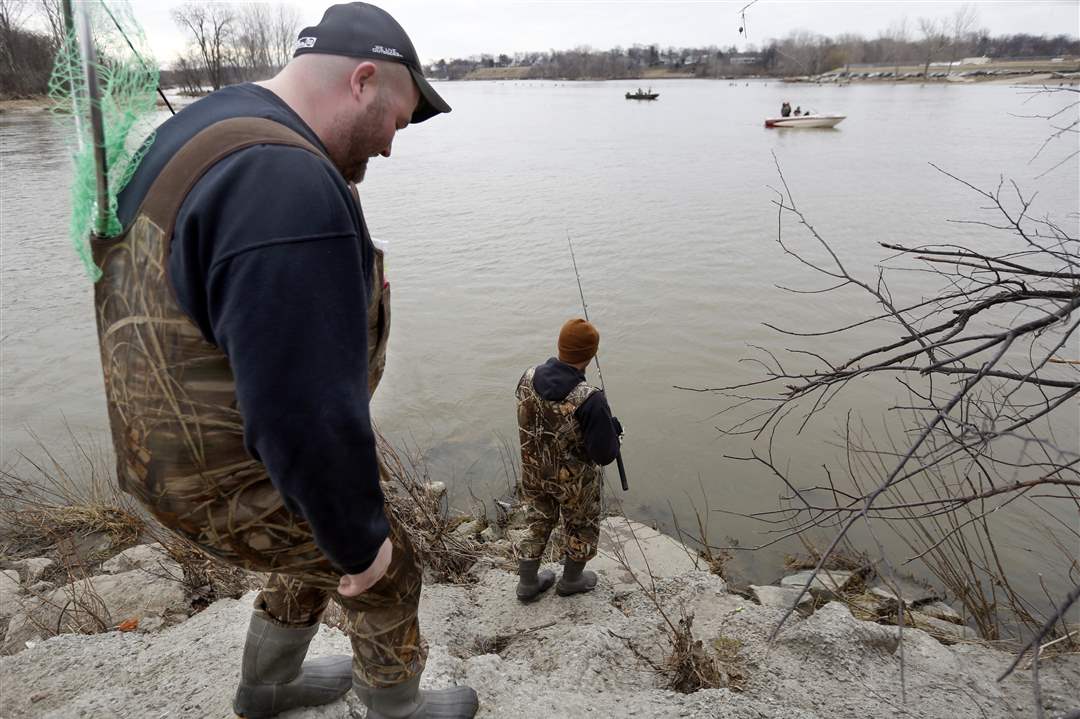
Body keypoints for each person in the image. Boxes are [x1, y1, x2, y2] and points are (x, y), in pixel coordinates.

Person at [100, 4, 477, 718]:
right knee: (378, 556)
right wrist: (366, 546)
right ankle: (395, 705)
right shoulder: (287, 186)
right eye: (397, 120)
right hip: (221, 473)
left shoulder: (210, 127)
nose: (392, 147)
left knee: (318, 532)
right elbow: (302, 416)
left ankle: (267, 685)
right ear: (363, 80)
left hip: (159, 458)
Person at [513, 319, 623, 602]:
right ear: (591, 354)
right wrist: (612, 430)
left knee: (537, 519)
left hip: (534, 472)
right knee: (581, 524)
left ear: (560, 346)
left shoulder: (528, 376)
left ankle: (527, 583)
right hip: (573, 482)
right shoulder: (589, 398)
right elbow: (604, 455)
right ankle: (571, 579)